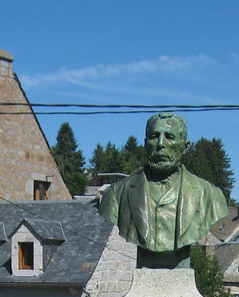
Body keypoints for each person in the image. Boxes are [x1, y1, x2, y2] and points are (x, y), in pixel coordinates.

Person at [97, 113, 228, 267]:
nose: (160, 143)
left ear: (185, 147)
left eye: (169, 137)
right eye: (154, 136)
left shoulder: (210, 195)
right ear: (146, 144)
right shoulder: (116, 193)